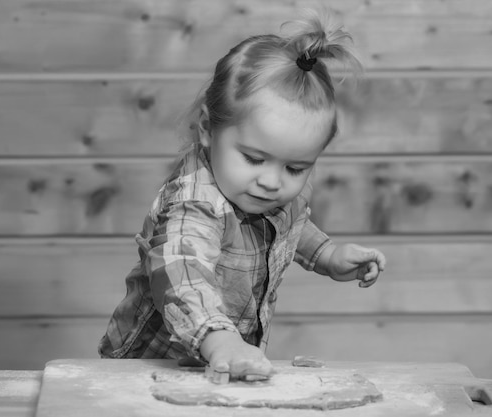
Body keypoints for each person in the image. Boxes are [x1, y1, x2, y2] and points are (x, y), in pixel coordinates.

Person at [98, 8, 386, 381]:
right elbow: (182, 271)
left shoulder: (266, 191)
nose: (272, 182)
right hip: (152, 367)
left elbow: (287, 220)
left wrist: (327, 255)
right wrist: (221, 341)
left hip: (221, 361)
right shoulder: (194, 203)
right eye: (253, 159)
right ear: (206, 128)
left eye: (295, 168)